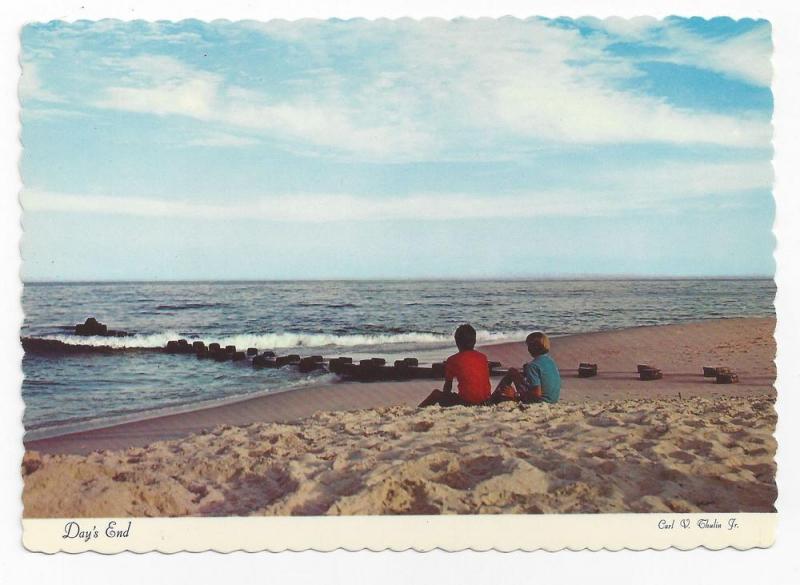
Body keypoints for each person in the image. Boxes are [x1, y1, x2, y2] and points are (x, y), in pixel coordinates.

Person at [418, 324, 491, 407]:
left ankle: (417, 411)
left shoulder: (453, 360)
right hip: (486, 401)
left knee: (436, 394)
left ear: (457, 342)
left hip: (467, 403)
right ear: (474, 341)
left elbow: (448, 386)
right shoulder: (483, 357)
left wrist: (445, 401)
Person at [491, 331, 561, 404]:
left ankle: (492, 399)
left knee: (512, 372)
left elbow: (537, 394)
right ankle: (494, 398)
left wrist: (515, 394)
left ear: (533, 347)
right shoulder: (550, 361)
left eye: (529, 346)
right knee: (514, 372)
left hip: (540, 401)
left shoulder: (533, 365)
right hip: (552, 400)